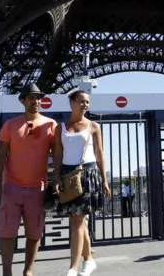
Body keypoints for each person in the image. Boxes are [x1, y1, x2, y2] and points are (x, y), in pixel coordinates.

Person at [0, 84, 57, 276]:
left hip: (38, 187)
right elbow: (0, 155)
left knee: (35, 231)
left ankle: (28, 270)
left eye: (38, 98)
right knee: (7, 230)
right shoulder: (10, 125)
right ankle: (7, 272)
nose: (36, 101)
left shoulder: (50, 124)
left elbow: (58, 154)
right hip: (12, 186)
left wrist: (57, 181)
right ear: (22, 100)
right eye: (31, 98)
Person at [53, 90, 111, 276]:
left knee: (77, 220)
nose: (86, 105)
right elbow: (58, 155)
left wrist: (104, 180)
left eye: (88, 102)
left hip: (87, 173)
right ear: (71, 103)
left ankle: (73, 267)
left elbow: (100, 154)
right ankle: (89, 260)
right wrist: (56, 178)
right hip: (67, 175)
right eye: (82, 101)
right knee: (77, 220)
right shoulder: (59, 127)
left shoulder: (93, 126)